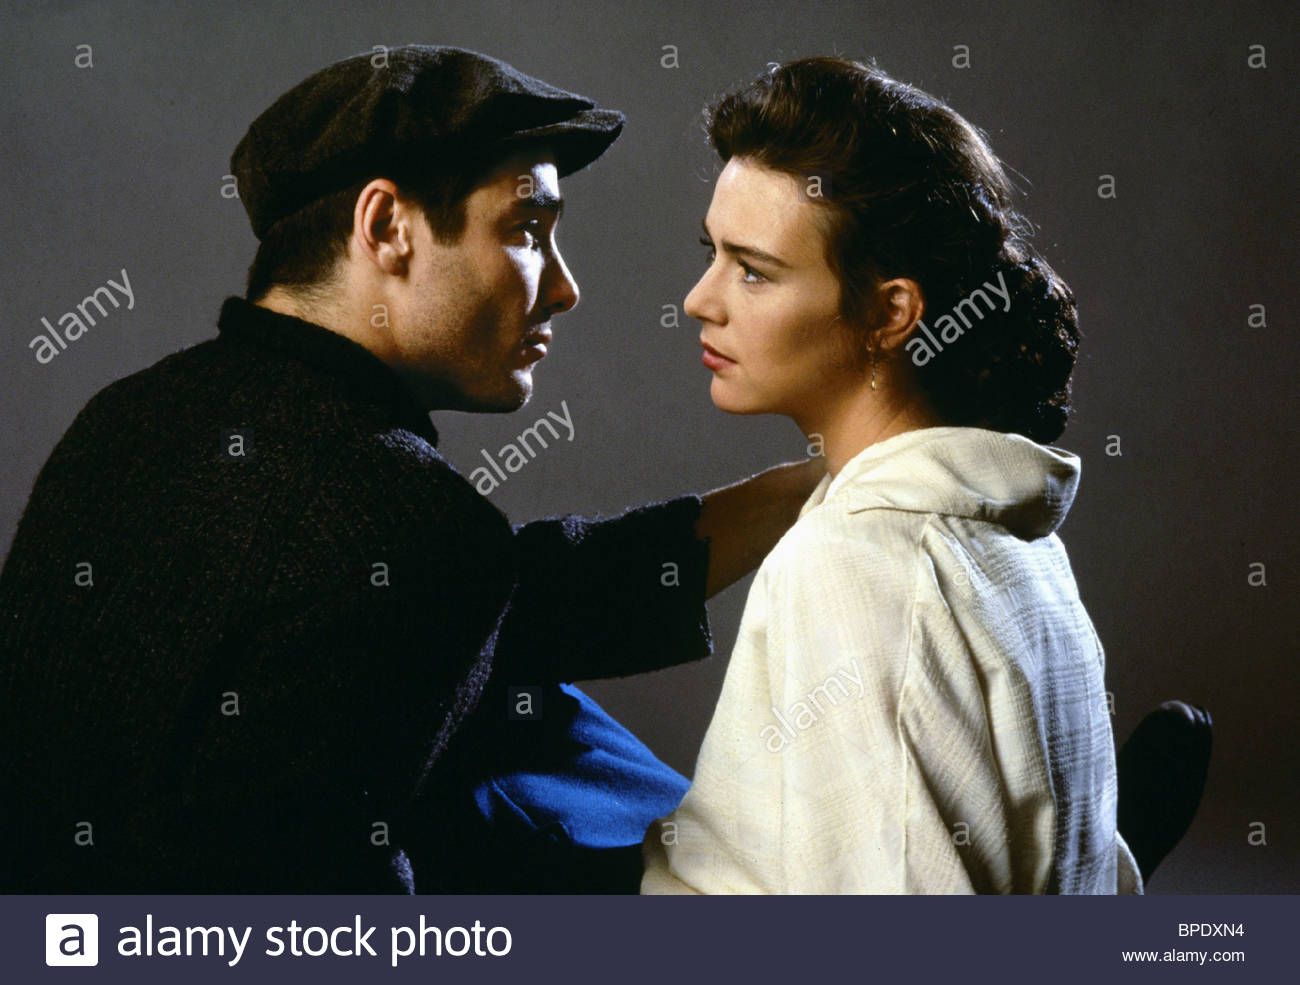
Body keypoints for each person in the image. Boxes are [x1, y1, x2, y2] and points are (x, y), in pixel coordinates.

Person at [0, 45, 826, 893]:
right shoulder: (402, 519)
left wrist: (799, 492)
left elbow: (500, 605)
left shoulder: (129, 416)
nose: (565, 287)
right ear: (388, 227)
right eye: (526, 230)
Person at [641, 57, 1209, 894]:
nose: (700, 298)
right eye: (711, 253)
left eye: (752, 269)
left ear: (890, 312)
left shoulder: (854, 567)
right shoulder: (1021, 544)